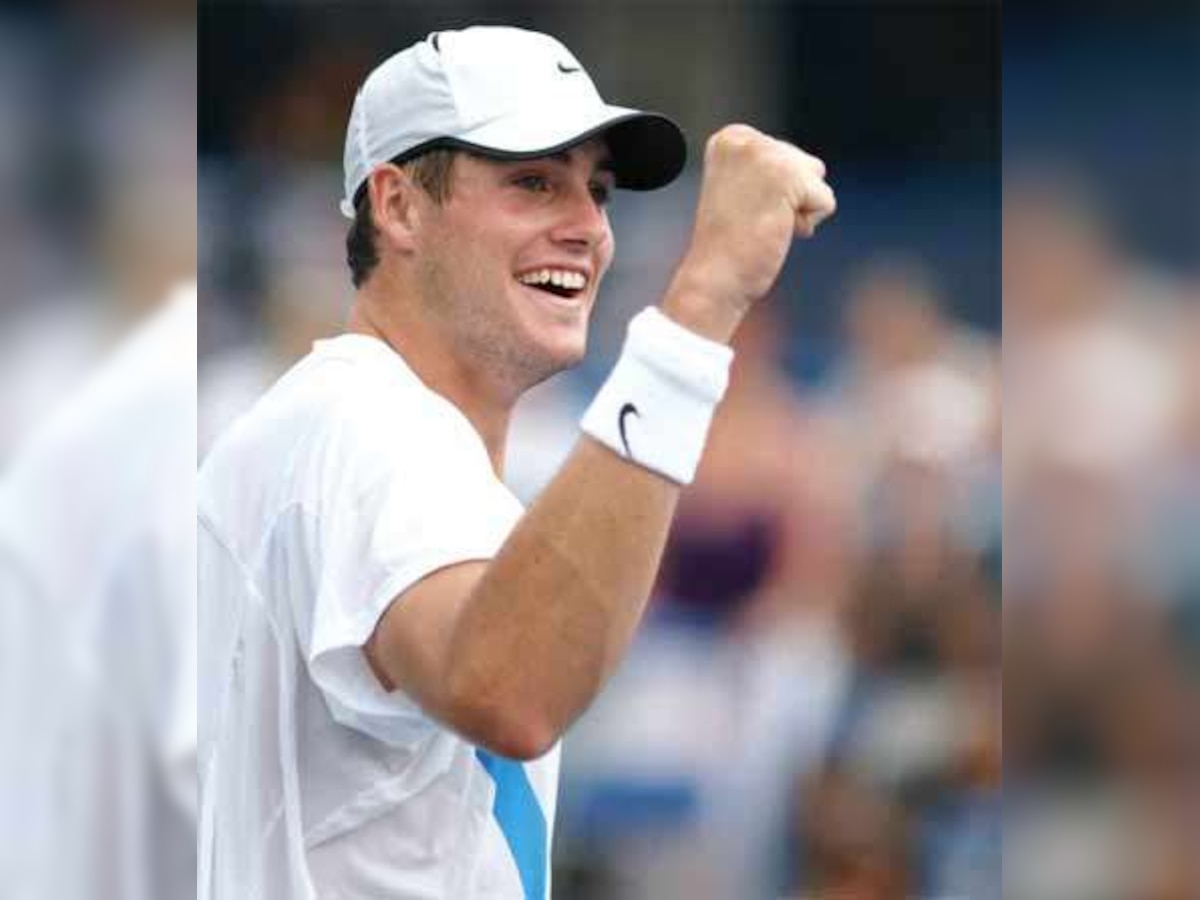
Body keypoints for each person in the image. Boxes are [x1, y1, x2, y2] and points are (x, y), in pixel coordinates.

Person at [197, 25, 835, 900]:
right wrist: (700, 304)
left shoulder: (344, 422)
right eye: (533, 182)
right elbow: (510, 690)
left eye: (598, 191)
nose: (587, 228)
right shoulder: (365, 423)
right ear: (397, 206)